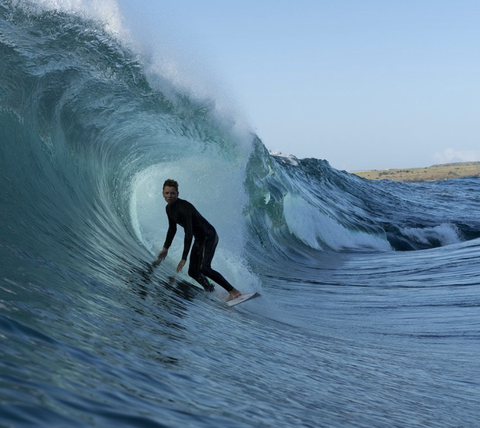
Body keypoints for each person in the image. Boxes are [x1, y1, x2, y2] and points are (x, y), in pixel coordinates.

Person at [152, 179, 241, 301]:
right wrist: (165, 248)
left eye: (172, 193)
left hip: (209, 235)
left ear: (177, 194)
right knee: (193, 272)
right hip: (199, 239)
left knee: (205, 268)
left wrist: (184, 258)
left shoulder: (184, 207)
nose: (169, 196)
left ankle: (234, 292)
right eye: (167, 193)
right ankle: (212, 290)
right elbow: (172, 229)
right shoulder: (169, 209)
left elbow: (188, 233)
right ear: (162, 193)